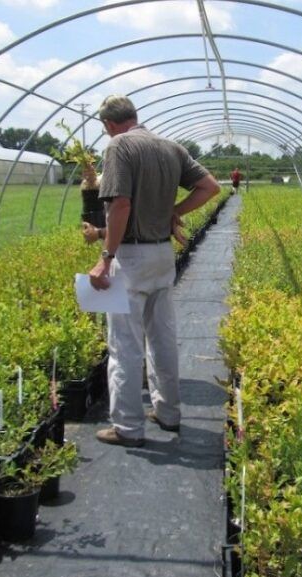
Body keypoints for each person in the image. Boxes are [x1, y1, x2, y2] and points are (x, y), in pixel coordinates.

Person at [87, 94, 220, 447]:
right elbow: (210, 187)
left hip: (131, 258)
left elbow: (120, 205)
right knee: (161, 337)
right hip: (162, 254)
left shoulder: (119, 147)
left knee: (124, 345)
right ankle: (168, 412)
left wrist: (105, 257)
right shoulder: (170, 147)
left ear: (109, 125)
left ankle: (128, 427)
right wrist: (174, 211)